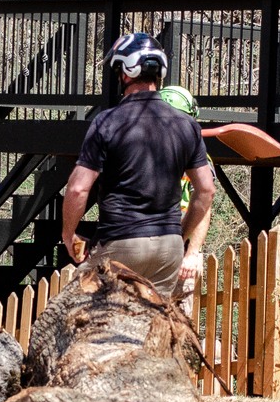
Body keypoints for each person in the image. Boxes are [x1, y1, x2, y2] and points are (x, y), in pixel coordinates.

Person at [59, 34, 215, 298]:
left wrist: (68, 233)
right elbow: (206, 190)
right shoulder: (187, 125)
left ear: (126, 72)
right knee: (153, 316)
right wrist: (179, 234)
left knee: (74, 310)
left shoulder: (108, 122)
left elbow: (77, 189)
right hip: (168, 250)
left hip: (121, 245)